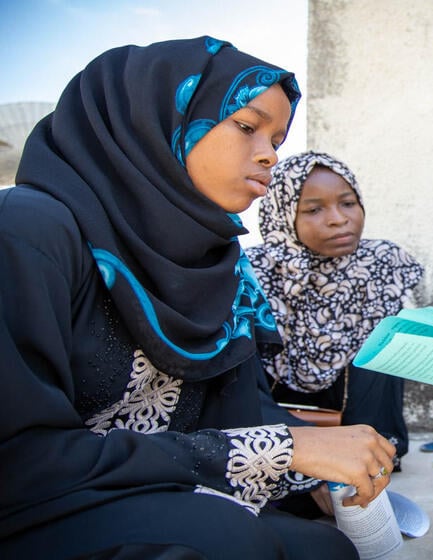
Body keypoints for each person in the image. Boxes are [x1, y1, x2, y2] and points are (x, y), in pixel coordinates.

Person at [0, 37, 396, 559]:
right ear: (152, 120)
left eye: (277, 138)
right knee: (230, 541)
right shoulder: (29, 233)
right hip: (42, 503)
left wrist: (316, 462)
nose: (269, 155)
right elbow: (22, 461)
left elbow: (235, 403)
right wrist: (282, 449)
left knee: (323, 549)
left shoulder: (214, 260)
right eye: (248, 127)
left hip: (158, 485)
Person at [247, 151, 424, 470]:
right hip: (280, 431)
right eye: (314, 209)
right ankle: (294, 455)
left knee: (386, 334)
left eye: (348, 203)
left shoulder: (380, 261)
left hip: (363, 415)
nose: (338, 219)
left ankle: (379, 450)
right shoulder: (255, 271)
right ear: (283, 215)